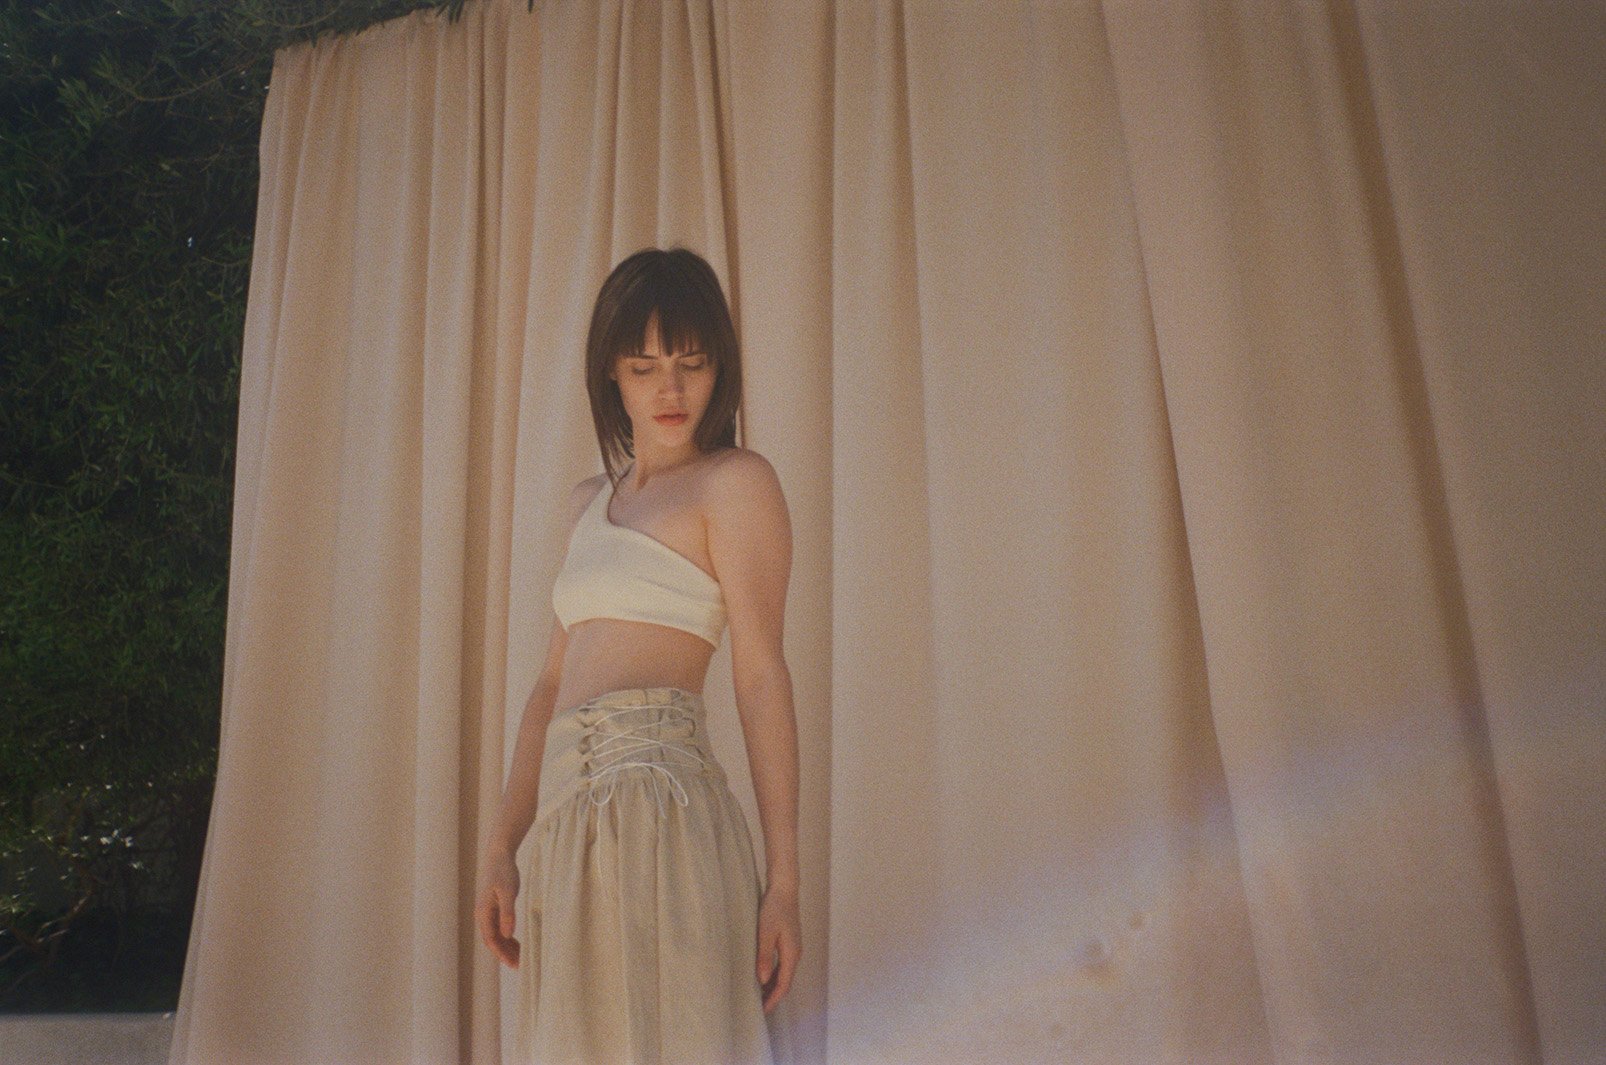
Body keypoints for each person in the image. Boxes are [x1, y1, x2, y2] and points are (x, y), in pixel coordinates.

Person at [475, 247, 800, 1064]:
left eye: (691, 362)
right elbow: (551, 684)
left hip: (668, 818)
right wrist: (501, 846)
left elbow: (760, 675)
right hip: (568, 831)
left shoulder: (735, 483)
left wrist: (785, 882)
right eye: (644, 365)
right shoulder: (590, 503)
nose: (670, 388)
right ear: (610, 376)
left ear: (718, 367)